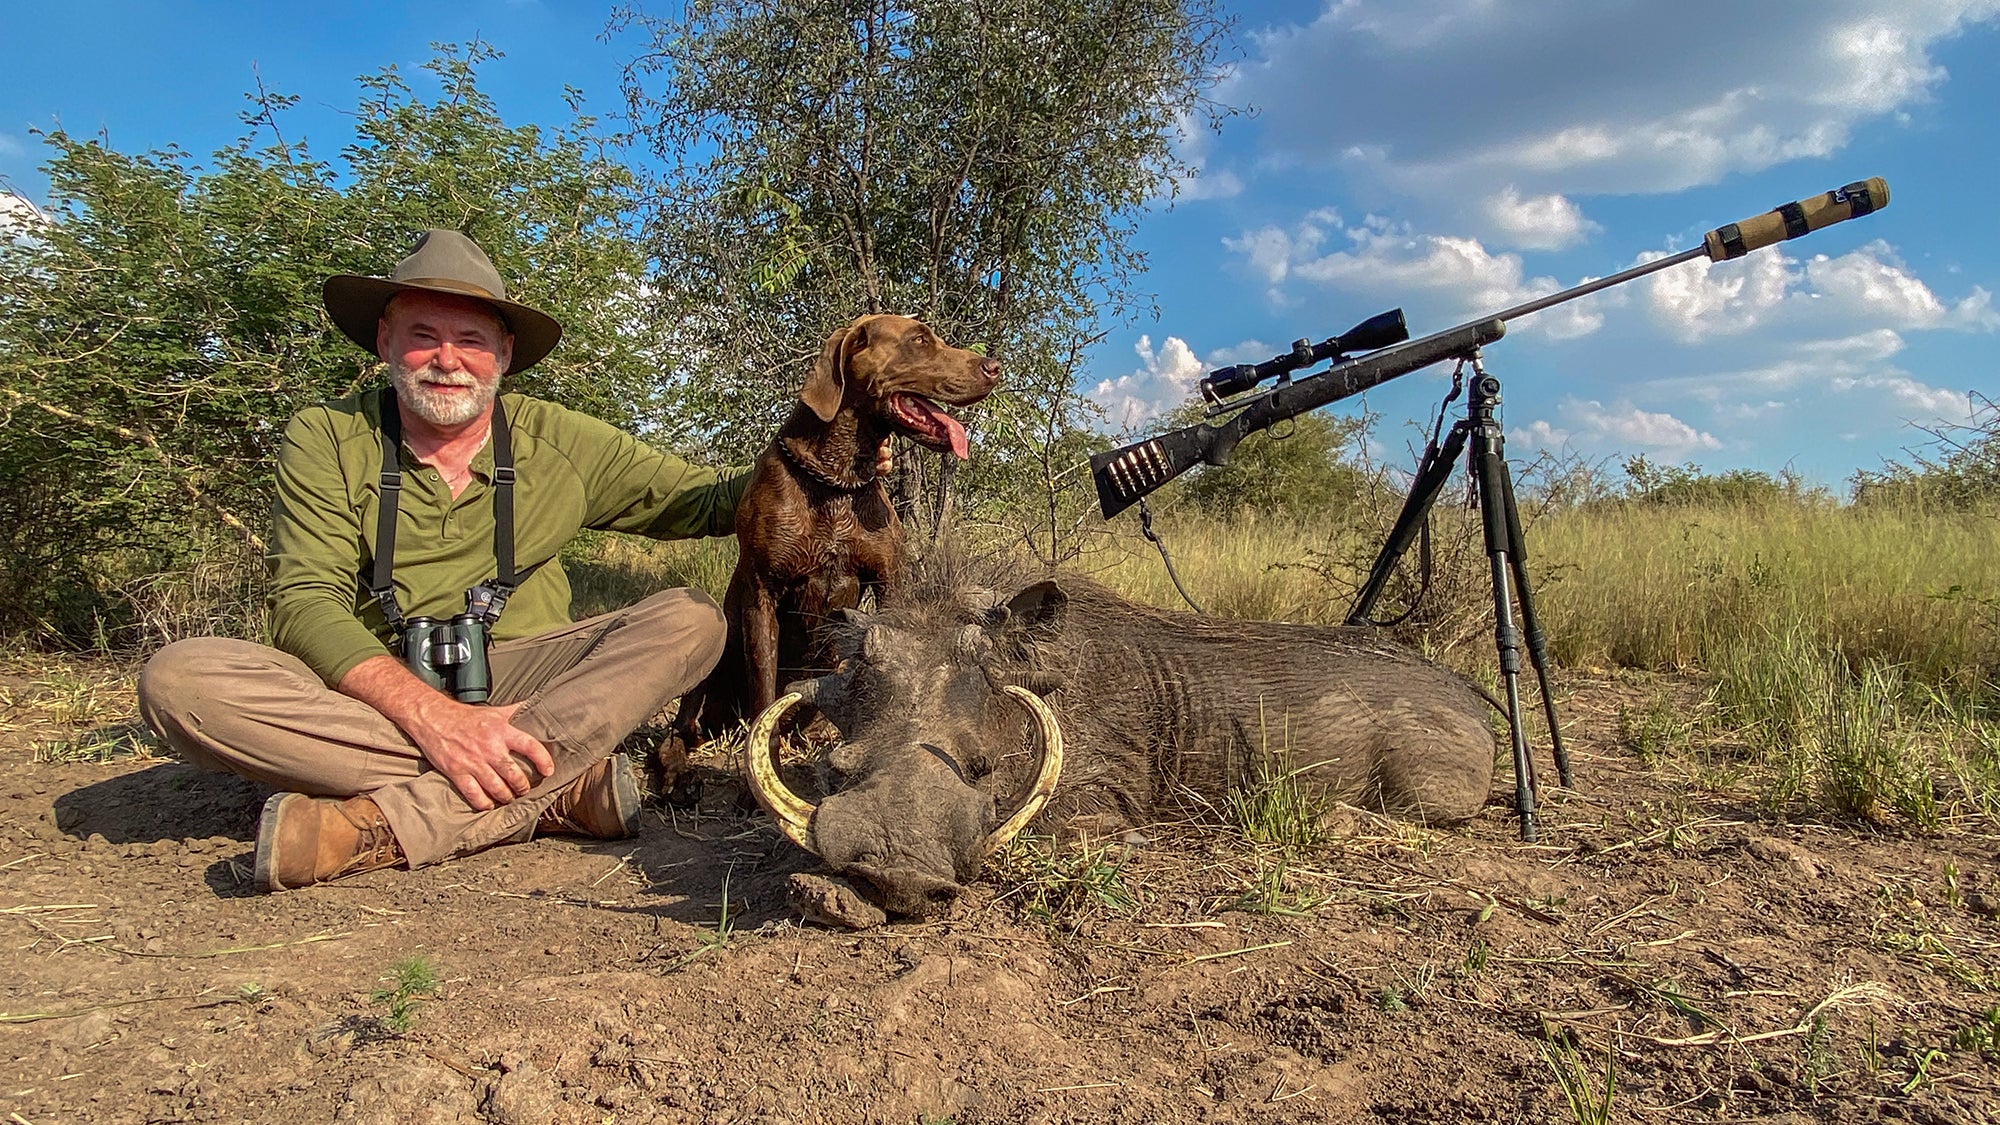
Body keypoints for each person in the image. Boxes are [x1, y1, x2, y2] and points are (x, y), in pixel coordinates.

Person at [138, 229, 750, 892]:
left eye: (471, 340)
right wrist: (437, 720)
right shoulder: (327, 434)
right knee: (181, 683)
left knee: (692, 620)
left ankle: (378, 826)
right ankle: (553, 789)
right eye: (423, 335)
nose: (447, 359)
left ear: (504, 353)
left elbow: (714, 501)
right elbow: (304, 601)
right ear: (385, 341)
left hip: (530, 682)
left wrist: (824, 437)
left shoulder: (558, 439)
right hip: (379, 692)